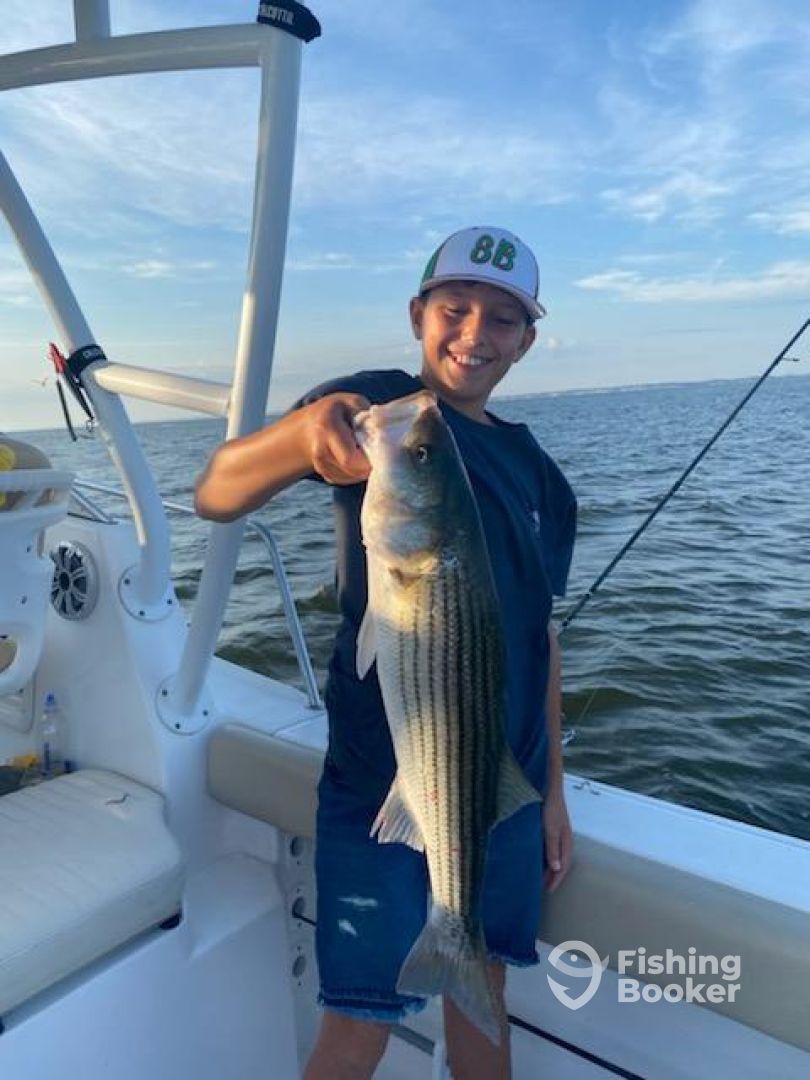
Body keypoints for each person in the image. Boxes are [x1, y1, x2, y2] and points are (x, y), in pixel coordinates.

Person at [195, 225, 577, 1079]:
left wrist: (552, 790)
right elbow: (215, 492)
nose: (475, 333)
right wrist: (304, 437)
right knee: (359, 1017)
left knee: (483, 988)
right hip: (379, 780)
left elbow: (541, 638)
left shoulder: (545, 480)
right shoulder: (382, 409)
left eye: (503, 318)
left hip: (504, 786)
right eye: (455, 308)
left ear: (526, 340)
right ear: (417, 315)